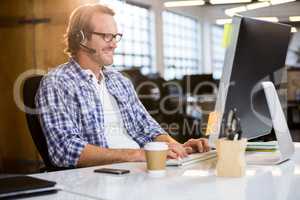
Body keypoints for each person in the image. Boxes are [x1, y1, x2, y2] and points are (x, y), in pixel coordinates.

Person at [35, 3, 210, 168]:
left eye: (115, 36)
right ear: (80, 38)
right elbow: (65, 150)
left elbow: (147, 128)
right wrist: (137, 155)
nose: (114, 43)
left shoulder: (119, 81)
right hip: (103, 176)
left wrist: (178, 148)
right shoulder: (57, 83)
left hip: (140, 168)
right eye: (106, 36)